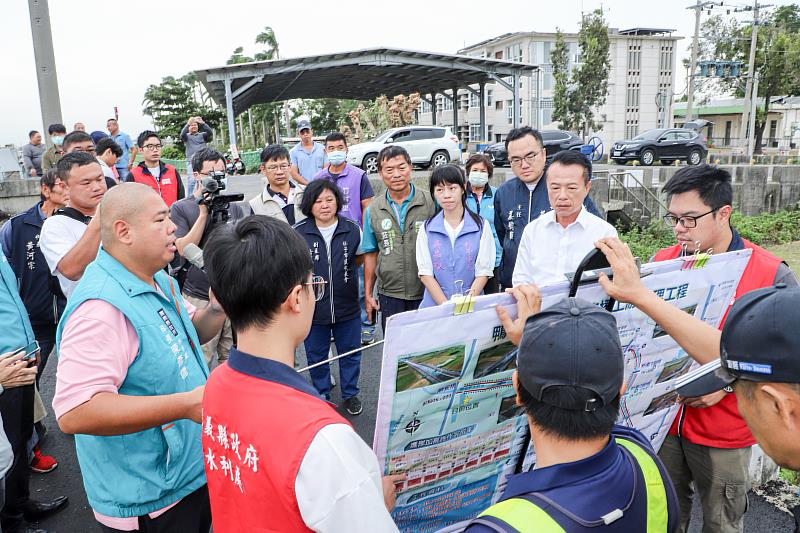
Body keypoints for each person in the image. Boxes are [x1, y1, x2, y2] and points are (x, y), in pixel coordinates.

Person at [201, 215, 403, 531]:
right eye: (313, 285)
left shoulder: (216, 382)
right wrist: (377, 504)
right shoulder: (324, 438)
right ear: (296, 298)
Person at [53, 183, 226, 532]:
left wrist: (219, 307)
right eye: (161, 219)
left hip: (186, 478)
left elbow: (195, 331)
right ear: (123, 231)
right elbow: (75, 412)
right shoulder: (100, 308)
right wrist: (184, 405)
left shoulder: (158, 279)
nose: (173, 227)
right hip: (150, 501)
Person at [637, 164, 796, 533]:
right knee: (663, 516)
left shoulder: (770, 274)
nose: (679, 228)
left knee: (722, 521)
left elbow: (783, 362)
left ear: (724, 213)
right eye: (673, 218)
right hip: (665, 422)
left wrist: (725, 385)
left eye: (690, 219)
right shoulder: (662, 264)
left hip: (725, 430)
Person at [466, 290, 679, 532]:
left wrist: (535, 350)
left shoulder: (497, 528)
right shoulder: (640, 454)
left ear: (517, 388)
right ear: (620, 390)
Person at [596, 239, 800, 486]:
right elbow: (726, 353)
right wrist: (639, 295)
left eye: (739, 392)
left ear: (783, 407)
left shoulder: (768, 267)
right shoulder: (665, 256)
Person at [0, 250, 68, 533]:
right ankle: (11, 523)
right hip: (6, 368)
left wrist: (31, 344)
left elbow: (12, 301)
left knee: (23, 438)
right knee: (9, 447)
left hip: (21, 355)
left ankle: (21, 503)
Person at [494, 127, 600, 289]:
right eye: (516, 159)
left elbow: (593, 231)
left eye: (530, 156)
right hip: (515, 287)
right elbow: (503, 234)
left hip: (557, 288)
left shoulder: (562, 189)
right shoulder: (504, 193)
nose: (524, 164)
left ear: (543, 154)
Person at [294, 180, 364, 414]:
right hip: (313, 309)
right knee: (316, 355)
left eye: (329, 199)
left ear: (337, 201)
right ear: (309, 205)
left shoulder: (352, 229)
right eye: (318, 201)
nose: (324, 205)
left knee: (351, 353)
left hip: (348, 306)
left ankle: (351, 394)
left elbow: (360, 260)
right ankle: (322, 393)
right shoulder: (298, 232)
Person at [171, 148, 245, 367]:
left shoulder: (234, 206)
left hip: (233, 292)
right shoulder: (182, 208)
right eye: (211, 173)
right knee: (201, 357)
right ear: (196, 175)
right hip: (200, 294)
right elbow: (183, 247)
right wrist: (204, 212)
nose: (218, 178)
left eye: (222, 173)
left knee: (232, 358)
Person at [512, 150, 617, 287]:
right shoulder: (532, 230)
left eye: (571, 188)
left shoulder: (604, 234)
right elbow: (521, 279)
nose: (562, 196)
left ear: (587, 187)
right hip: (540, 307)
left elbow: (612, 281)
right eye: (555, 188)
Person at [1, 170, 68, 380]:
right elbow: (7, 272)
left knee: (82, 376)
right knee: (29, 377)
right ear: (45, 190)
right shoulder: (17, 225)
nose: (68, 191)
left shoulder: (74, 223)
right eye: (61, 185)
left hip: (71, 313)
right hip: (35, 317)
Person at [311, 131, 376, 344]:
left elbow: (367, 206)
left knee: (358, 285)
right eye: (331, 148)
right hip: (327, 241)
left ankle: (366, 326)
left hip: (353, 240)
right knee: (332, 285)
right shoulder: (319, 179)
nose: (336, 152)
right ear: (325, 151)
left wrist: (366, 236)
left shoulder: (359, 176)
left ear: (347, 149)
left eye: (340, 147)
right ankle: (333, 327)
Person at [362, 146, 436, 332]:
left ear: (410, 167)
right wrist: (368, 294)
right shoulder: (373, 209)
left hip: (427, 290)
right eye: (389, 169)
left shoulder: (430, 202)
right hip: (390, 294)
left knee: (426, 349)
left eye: (401, 167)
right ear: (380, 173)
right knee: (395, 351)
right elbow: (370, 253)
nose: (396, 174)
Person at [416, 164, 495, 308]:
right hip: (435, 308)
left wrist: (464, 305)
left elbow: (483, 271)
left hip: (471, 306)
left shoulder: (481, 227)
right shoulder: (427, 229)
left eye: (452, 188)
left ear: (463, 187)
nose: (446, 195)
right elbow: (426, 274)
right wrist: (446, 306)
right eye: (439, 189)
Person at [40, 152, 106, 298]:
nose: (97, 187)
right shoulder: (55, 225)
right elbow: (71, 270)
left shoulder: (120, 213)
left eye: (100, 179)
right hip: (93, 311)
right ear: (65, 186)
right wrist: (100, 219)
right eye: (86, 183)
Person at [465, 154, 501, 294]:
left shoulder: (497, 195)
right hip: (468, 258)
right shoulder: (460, 195)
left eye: (483, 171)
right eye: (475, 170)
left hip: (494, 259)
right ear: (468, 172)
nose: (478, 174)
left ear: (489, 174)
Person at [249, 144, 305, 224]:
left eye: (283, 166)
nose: (279, 172)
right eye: (273, 167)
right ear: (263, 169)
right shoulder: (256, 205)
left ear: (290, 166)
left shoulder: (306, 193)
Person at [130, 130, 185, 207]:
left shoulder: (172, 171)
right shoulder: (133, 175)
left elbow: (181, 199)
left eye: (158, 146)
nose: (155, 150)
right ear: (140, 150)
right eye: (150, 146)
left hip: (171, 217)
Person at [180, 116, 213, 196]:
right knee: (192, 181)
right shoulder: (187, 137)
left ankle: (203, 197)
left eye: (195, 125)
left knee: (203, 180)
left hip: (203, 161)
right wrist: (188, 123)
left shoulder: (202, 135)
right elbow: (182, 134)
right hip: (191, 161)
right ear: (189, 127)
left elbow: (210, 132)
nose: (194, 126)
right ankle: (190, 198)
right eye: (192, 125)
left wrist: (203, 123)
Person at [290, 119, 326, 186]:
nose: (305, 134)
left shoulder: (322, 149)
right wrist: (308, 184)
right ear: (298, 134)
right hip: (303, 188)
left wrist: (318, 184)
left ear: (312, 132)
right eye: (302, 132)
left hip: (321, 186)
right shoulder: (294, 152)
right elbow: (294, 173)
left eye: (307, 131)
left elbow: (326, 169)